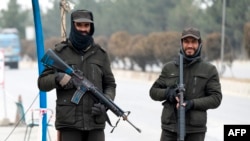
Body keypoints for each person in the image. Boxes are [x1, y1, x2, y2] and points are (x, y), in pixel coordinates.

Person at [37, 9, 116, 141]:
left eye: (87, 25)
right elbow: (42, 83)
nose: (83, 29)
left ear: (91, 27)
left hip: (95, 122)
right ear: (73, 26)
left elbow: (110, 85)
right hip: (69, 124)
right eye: (79, 25)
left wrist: (105, 102)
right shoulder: (60, 53)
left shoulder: (100, 54)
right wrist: (57, 79)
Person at [149, 27, 222, 141]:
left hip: (195, 131)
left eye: (193, 42)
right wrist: (169, 93)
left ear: (199, 44)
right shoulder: (169, 68)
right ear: (181, 43)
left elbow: (216, 98)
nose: (190, 46)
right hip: (170, 129)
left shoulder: (209, 70)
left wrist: (191, 104)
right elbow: (153, 92)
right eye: (186, 42)